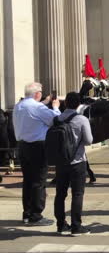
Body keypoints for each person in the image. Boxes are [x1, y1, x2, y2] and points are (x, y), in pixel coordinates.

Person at [13, 82, 61, 226]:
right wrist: (55, 107)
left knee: (28, 180)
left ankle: (27, 213)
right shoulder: (37, 107)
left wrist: (44, 102)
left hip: (22, 145)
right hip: (37, 146)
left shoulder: (19, 105)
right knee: (39, 181)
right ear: (37, 94)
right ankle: (36, 214)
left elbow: (35, 114)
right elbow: (54, 120)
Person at [53, 92, 93, 236]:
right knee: (77, 193)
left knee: (60, 194)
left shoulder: (57, 118)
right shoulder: (81, 119)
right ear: (78, 104)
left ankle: (60, 224)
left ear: (65, 103)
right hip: (77, 161)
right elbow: (89, 140)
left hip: (61, 162)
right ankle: (76, 226)